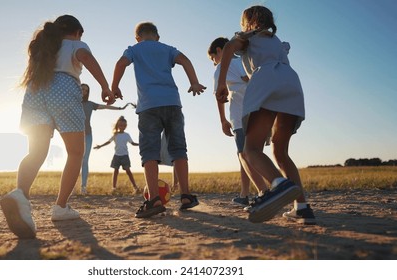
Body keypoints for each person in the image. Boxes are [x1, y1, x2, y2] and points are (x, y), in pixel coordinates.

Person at [0, 15, 115, 239]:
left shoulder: (43, 47)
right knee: (76, 152)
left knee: (37, 151)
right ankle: (61, 207)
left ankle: (20, 195)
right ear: (77, 32)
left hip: (36, 90)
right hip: (63, 89)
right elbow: (86, 57)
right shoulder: (76, 44)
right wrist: (105, 86)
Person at [216, 6, 316, 224]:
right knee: (281, 151)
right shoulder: (277, 41)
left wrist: (222, 82)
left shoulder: (247, 37)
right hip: (291, 83)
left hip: (267, 81)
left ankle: (279, 185)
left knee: (250, 149)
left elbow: (228, 48)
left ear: (248, 22)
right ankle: (302, 207)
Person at [111, 22, 206, 218]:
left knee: (149, 152)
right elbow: (186, 60)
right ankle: (186, 196)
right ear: (157, 36)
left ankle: (153, 199)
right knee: (179, 148)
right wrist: (194, 82)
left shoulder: (134, 49)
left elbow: (121, 63)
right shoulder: (167, 48)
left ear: (137, 37)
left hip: (148, 107)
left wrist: (115, 87)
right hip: (172, 103)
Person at [208, 37, 267, 206]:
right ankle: (244, 194)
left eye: (213, 58)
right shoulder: (247, 61)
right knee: (251, 155)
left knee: (244, 155)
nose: (214, 63)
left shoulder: (221, 68)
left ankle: (264, 191)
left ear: (220, 50)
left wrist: (223, 120)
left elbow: (219, 97)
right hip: (260, 112)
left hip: (240, 116)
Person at [80, 83, 134, 195]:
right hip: (74, 134)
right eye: (81, 89)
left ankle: (83, 187)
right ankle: (69, 186)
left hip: (88, 135)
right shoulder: (72, 103)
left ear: (87, 92)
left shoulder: (90, 105)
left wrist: (120, 108)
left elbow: (105, 107)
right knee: (75, 160)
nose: (83, 91)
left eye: (85, 90)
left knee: (85, 161)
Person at [94, 116, 140, 193]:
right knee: (115, 171)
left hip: (125, 156)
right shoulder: (115, 135)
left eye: (124, 125)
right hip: (117, 156)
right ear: (118, 126)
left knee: (128, 171)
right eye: (121, 125)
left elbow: (132, 143)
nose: (123, 127)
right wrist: (100, 146)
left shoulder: (127, 135)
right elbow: (108, 142)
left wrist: (140, 144)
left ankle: (135, 187)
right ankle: (114, 188)